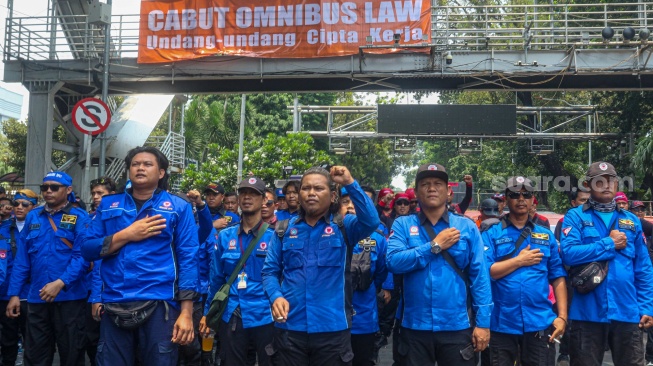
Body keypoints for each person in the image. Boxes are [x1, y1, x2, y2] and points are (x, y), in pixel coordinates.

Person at [81, 146, 199, 366]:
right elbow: (87, 249)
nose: (140, 168)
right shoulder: (108, 205)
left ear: (161, 172)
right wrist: (126, 235)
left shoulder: (178, 207)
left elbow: (188, 259)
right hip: (115, 301)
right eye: (135, 164)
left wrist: (186, 313)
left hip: (160, 304)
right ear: (128, 171)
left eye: (147, 164)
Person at [261, 166, 380, 365]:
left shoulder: (344, 226)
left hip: (332, 330)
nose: (311, 193)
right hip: (290, 329)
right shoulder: (283, 229)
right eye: (306, 188)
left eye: (318, 188)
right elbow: (270, 271)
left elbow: (371, 221)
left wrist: (349, 182)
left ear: (333, 196)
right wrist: (276, 296)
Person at [387, 163, 492, 366]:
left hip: (458, 327)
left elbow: (480, 278)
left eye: (438, 184)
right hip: (414, 327)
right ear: (416, 192)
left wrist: (483, 324)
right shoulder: (403, 224)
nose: (432, 188)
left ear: (449, 191)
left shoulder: (466, 227)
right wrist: (435, 246)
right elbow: (393, 262)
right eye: (425, 184)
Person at [560, 161, 653, 366]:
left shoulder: (631, 220)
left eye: (611, 180)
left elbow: (643, 268)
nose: (606, 184)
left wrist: (647, 306)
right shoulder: (575, 216)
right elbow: (568, 254)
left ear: (617, 184)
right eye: (599, 181)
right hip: (587, 313)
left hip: (627, 312)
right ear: (588, 184)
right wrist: (608, 244)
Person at [7, 171, 90, 366]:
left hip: (70, 299)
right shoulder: (33, 216)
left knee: (71, 355)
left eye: (54, 187)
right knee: (35, 355)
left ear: (68, 190)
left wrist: (61, 283)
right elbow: (22, 259)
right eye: (45, 188)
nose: (48, 191)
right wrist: (14, 294)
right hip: (37, 299)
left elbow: (83, 257)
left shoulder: (80, 217)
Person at [482, 176, 567, 366]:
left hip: (539, 323)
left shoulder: (546, 236)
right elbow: (487, 272)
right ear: (506, 199)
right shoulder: (491, 233)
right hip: (501, 324)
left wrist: (562, 317)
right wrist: (519, 261)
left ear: (532, 199)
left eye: (526, 194)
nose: (521, 199)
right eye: (514, 194)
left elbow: (558, 276)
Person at [200, 176, 274, 366]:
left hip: (266, 315)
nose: (247, 198)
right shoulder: (225, 236)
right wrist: (207, 313)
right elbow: (216, 279)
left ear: (264, 200)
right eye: (244, 193)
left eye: (253, 194)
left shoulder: (275, 237)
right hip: (232, 313)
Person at [339, 187, 388, 366]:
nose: (350, 207)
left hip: (364, 317)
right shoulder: (326, 233)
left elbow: (382, 273)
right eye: (345, 202)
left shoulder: (378, 238)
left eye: (355, 203)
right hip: (331, 319)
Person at [0, 189, 36, 366]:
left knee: (33, 339)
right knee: (8, 338)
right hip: (6, 293)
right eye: (16, 204)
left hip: (32, 294)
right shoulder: (4, 229)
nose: (19, 207)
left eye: (25, 204)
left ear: (34, 207)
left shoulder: (40, 228)